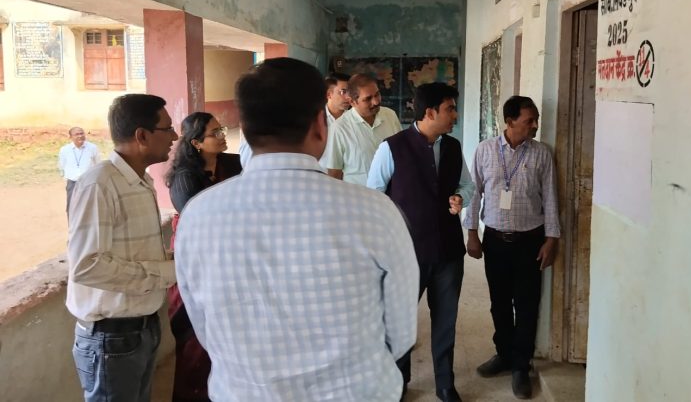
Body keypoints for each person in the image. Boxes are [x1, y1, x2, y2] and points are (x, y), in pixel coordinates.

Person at [175, 58, 419, 401]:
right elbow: (401, 335)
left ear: (244, 128)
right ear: (320, 126)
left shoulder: (198, 216)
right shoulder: (376, 212)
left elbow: (203, 327)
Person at [66, 94, 179, 402]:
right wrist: (170, 271)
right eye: (167, 128)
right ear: (142, 135)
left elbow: (133, 253)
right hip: (110, 338)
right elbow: (88, 266)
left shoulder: (139, 181)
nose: (174, 136)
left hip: (140, 328)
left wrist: (177, 259)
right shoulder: (100, 184)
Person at [367, 82, 475, 402]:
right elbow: (374, 197)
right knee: (399, 321)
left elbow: (467, 185)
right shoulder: (392, 148)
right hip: (405, 253)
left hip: (448, 251)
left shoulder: (452, 147)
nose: (455, 115)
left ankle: (445, 384)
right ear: (430, 112)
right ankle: (398, 381)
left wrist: (460, 198)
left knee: (446, 320)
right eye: (450, 109)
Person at [464, 96, 561, 400]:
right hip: (495, 240)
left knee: (527, 304)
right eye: (529, 120)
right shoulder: (485, 150)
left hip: (530, 241)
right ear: (509, 121)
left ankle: (521, 365)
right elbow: (474, 193)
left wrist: (551, 239)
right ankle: (504, 354)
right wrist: (471, 233)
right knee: (499, 303)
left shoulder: (541, 154)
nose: (535, 125)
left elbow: (550, 198)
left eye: (536, 119)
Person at [164, 112, 242, 402]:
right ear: (196, 142)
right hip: (198, 265)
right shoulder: (185, 178)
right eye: (215, 133)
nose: (222, 136)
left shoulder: (234, 164)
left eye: (222, 129)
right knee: (194, 343)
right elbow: (199, 224)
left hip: (229, 262)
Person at [325, 73, 402, 185]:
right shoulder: (339, 128)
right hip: (358, 194)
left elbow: (402, 153)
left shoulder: (390, 115)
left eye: (377, 94)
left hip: (392, 192)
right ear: (352, 102)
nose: (376, 102)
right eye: (368, 99)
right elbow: (334, 173)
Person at [58, 126, 101, 214]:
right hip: (72, 183)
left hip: (89, 183)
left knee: (90, 208)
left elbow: (98, 164)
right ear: (70, 137)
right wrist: (66, 177)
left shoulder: (93, 148)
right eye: (77, 134)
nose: (80, 136)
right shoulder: (65, 150)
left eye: (82, 133)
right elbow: (62, 165)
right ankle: (72, 223)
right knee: (71, 208)